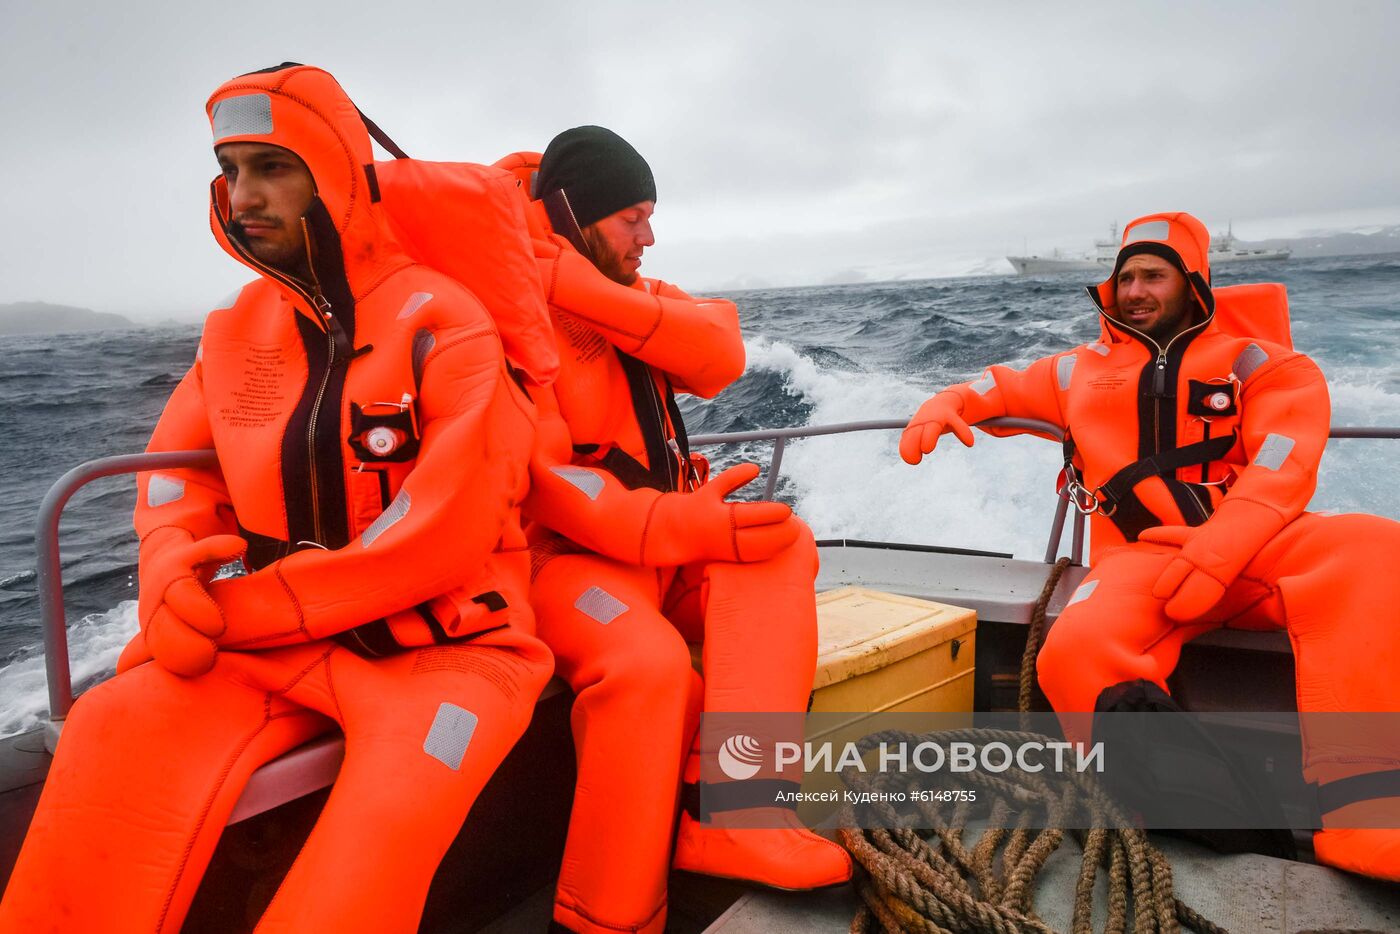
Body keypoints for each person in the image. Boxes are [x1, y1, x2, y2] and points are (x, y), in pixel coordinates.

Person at [0, 64, 552, 933]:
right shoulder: (232, 332)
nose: (243, 193)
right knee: (110, 726)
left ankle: (632, 902)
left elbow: (442, 528)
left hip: (446, 644)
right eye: (230, 168)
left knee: (370, 855)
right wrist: (169, 570)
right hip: (266, 641)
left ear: (335, 178)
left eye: (273, 167)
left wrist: (242, 611)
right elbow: (175, 478)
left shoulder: (444, 320)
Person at [899, 211, 1400, 881]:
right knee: (1071, 654)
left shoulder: (1267, 365)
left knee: (1371, 548)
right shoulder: (1078, 371)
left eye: (1153, 275)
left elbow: (1282, 464)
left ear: (1193, 283)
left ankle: (1364, 814)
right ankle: (1136, 823)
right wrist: (951, 400)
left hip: (1259, 549)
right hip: (1144, 563)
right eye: (1124, 276)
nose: (1134, 289)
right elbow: (1003, 387)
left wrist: (1218, 550)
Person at [495, 128, 852, 934]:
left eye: (650, 215)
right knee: (654, 669)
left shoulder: (631, 293)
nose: (648, 237)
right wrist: (675, 524)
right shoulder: (505, 320)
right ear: (571, 213)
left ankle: (741, 812)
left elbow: (719, 352)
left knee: (779, 545)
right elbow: (549, 483)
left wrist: (580, 287)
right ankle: (601, 917)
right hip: (567, 562)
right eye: (631, 217)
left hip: (664, 544)